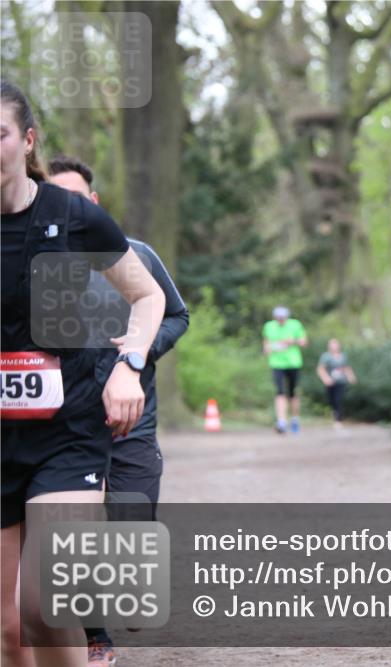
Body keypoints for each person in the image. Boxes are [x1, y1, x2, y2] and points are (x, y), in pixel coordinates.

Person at [1, 81, 165, 667]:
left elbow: (148, 298)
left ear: (26, 140)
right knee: (9, 625)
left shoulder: (70, 216)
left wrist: (129, 366)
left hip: (66, 432)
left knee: (46, 607)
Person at [48, 155, 190, 667]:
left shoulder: (138, 256)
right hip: (66, 425)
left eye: (77, 197)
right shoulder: (32, 265)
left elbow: (176, 315)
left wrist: (140, 349)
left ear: (93, 202)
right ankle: (95, 637)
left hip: (134, 419)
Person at [262, 306, 308, 434]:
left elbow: (304, 342)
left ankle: (295, 419)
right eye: (278, 318)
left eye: (283, 318)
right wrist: (266, 349)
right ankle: (281, 421)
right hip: (277, 363)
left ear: (287, 317)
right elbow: (266, 344)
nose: (281, 321)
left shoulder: (295, 325)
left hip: (293, 363)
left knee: (293, 393)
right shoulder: (269, 326)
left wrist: (292, 341)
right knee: (280, 392)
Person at [316, 338, 356, 428]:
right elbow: (321, 369)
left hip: (341, 381)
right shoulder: (326, 356)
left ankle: (338, 420)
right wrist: (326, 378)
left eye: (336, 344)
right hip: (330, 382)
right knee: (332, 400)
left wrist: (351, 376)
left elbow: (346, 367)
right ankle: (334, 415)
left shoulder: (343, 356)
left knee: (339, 399)